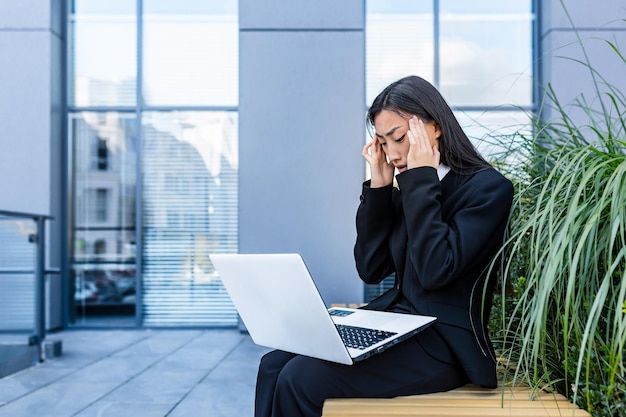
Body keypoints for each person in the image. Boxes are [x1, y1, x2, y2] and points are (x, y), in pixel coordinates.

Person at [254, 75, 514, 417]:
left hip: (441, 345)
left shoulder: (487, 189)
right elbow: (371, 268)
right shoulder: (409, 188)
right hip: (394, 324)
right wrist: (378, 187)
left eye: (399, 139)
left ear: (433, 128)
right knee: (273, 364)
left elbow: (437, 270)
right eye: (382, 142)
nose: (391, 154)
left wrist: (420, 178)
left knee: (300, 379)